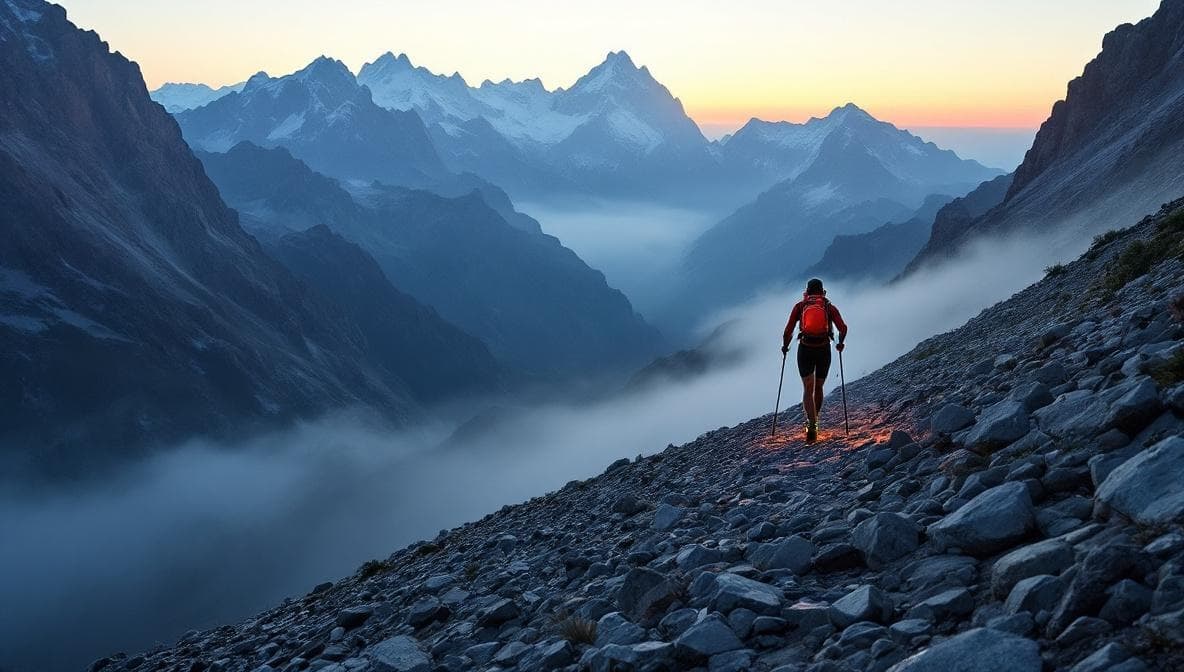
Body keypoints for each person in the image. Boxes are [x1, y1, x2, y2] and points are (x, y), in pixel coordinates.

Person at [781, 278, 848, 443]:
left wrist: (785, 347)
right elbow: (843, 328)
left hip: (805, 349)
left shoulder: (800, 306)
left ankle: (811, 424)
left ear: (808, 291)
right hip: (823, 349)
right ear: (822, 291)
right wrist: (840, 343)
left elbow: (788, 330)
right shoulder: (828, 306)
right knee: (818, 387)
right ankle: (815, 420)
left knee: (807, 388)